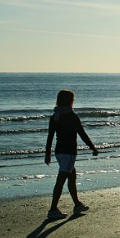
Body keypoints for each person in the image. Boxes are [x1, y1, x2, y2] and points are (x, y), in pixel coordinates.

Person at [45, 89, 99, 220]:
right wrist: (93, 147)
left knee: (71, 176)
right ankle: (53, 209)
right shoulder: (72, 116)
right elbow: (82, 134)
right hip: (69, 152)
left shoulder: (55, 116)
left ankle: (77, 204)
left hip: (59, 152)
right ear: (70, 101)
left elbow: (50, 136)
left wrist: (48, 153)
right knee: (61, 179)